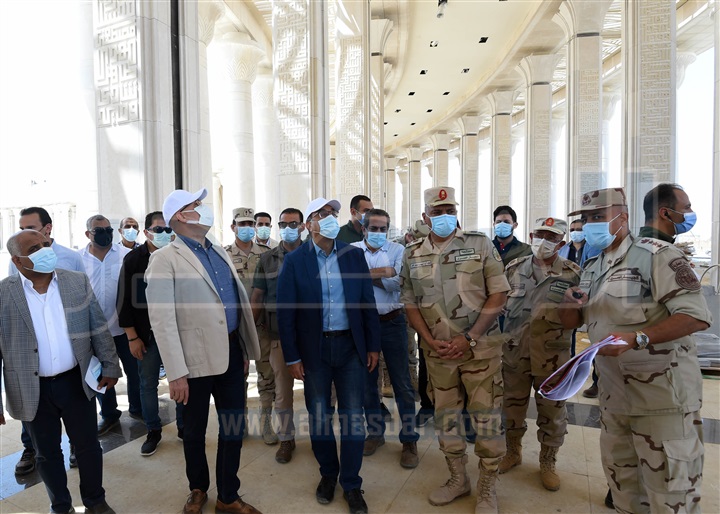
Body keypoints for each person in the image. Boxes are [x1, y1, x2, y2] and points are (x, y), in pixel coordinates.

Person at [559, 187, 711, 514]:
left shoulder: (658, 255)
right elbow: (573, 322)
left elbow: (696, 316)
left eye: (598, 216)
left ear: (622, 217)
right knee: (625, 492)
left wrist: (638, 338)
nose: (590, 224)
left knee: (672, 498)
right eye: (586, 218)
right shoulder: (593, 266)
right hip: (615, 401)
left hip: (661, 403)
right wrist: (568, 304)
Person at [146, 188, 262, 514]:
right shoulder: (164, 259)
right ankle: (198, 488)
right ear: (180, 216)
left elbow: (232, 304)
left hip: (231, 352)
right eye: (196, 205)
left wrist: (241, 348)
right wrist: (175, 373)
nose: (203, 208)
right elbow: (162, 320)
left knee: (233, 427)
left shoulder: (218, 251)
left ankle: (228, 495)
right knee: (194, 431)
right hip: (192, 361)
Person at [400, 186, 510, 513]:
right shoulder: (412, 253)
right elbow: (410, 302)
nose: (444, 216)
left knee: (486, 418)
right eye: (437, 212)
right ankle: (458, 479)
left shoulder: (479, 244)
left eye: (450, 210)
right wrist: (427, 339)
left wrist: (470, 337)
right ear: (426, 217)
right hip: (437, 354)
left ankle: (488, 486)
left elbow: (499, 294)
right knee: (446, 417)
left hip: (481, 352)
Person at [0, 229, 121, 514]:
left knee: (88, 447)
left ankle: (95, 500)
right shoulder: (4, 293)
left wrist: (110, 364)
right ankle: (61, 505)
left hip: (76, 381)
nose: (45, 250)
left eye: (45, 244)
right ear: (17, 261)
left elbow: (98, 326)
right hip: (32, 389)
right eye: (34, 249)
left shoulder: (75, 281)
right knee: (46, 453)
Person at [277, 197, 380, 514]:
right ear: (310, 224)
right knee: (320, 415)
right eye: (323, 214)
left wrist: (372, 346)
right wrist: (292, 357)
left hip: (350, 348)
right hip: (315, 351)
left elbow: (367, 303)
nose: (331, 218)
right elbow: (286, 313)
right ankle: (328, 474)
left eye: (333, 213)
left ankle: (351, 483)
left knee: (353, 418)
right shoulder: (295, 261)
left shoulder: (353, 256)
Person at [498, 217, 581, 491]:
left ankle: (548, 461)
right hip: (515, 353)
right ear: (531, 235)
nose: (544, 241)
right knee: (511, 407)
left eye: (552, 237)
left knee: (552, 412)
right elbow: (499, 306)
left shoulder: (572, 273)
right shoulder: (513, 269)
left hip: (552, 358)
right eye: (540, 235)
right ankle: (513, 451)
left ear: (562, 242)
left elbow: (580, 316)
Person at [8, 207, 85, 477]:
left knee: (82, 434)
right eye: (21, 228)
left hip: (70, 367)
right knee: (41, 438)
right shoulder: (17, 259)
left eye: (30, 227)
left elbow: (87, 307)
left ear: (47, 228)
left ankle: (75, 446)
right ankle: (30, 448)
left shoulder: (72, 259)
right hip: (32, 368)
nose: (24, 233)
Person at [352, 209, 419, 468]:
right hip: (363, 326)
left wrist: (365, 275)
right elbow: (351, 282)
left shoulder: (398, 250)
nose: (379, 233)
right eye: (374, 228)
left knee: (402, 383)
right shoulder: (352, 250)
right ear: (364, 228)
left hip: (392, 322)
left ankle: (409, 440)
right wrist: (383, 272)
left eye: (383, 229)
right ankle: (375, 433)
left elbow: (397, 283)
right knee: (368, 383)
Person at [117, 211, 184, 456]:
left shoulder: (179, 255)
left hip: (176, 332)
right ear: (146, 232)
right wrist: (132, 337)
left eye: (168, 230)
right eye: (158, 230)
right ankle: (153, 430)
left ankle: (184, 427)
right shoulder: (134, 260)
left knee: (181, 378)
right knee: (147, 384)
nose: (164, 234)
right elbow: (123, 301)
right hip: (146, 335)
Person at [250, 207, 306, 464]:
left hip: (311, 334)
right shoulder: (268, 259)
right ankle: (286, 438)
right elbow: (257, 297)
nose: (288, 229)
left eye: (293, 224)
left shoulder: (313, 255)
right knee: (282, 392)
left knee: (319, 391)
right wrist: (249, 333)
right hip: (278, 335)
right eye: (283, 224)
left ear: (302, 226)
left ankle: (322, 437)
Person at [80, 215, 140, 434]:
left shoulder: (126, 255)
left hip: (125, 329)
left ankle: (138, 408)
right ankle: (109, 415)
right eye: (99, 231)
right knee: (102, 375)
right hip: (94, 332)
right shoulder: (79, 259)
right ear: (88, 234)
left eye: (109, 230)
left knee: (135, 372)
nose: (105, 234)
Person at [225, 207, 277, 445]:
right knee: (238, 376)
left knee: (267, 375)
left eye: (250, 224)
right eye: (242, 224)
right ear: (233, 227)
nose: (247, 228)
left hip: (263, 324)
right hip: (236, 326)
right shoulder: (224, 255)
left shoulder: (267, 254)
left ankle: (266, 422)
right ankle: (241, 422)